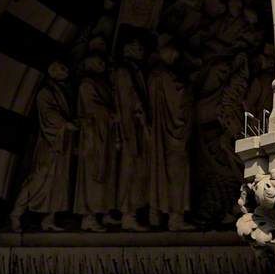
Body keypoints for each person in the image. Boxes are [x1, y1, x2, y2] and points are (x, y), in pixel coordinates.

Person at [9, 61, 76, 231]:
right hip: (50, 142)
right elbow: (48, 113)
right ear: (52, 71)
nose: (65, 70)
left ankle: (49, 219)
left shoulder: (63, 91)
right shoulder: (46, 92)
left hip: (63, 143)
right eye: (62, 67)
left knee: (59, 181)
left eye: (65, 67)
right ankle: (16, 213)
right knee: (39, 179)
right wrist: (65, 123)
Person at [148, 42, 194, 231]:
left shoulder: (153, 76)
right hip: (172, 136)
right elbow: (179, 99)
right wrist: (191, 85)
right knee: (177, 174)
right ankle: (175, 216)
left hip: (161, 136)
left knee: (159, 173)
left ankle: (156, 214)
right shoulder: (166, 77)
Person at [74, 51, 116, 231]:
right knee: (92, 174)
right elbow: (92, 107)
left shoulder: (102, 82)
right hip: (93, 136)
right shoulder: (87, 83)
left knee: (105, 172)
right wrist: (111, 113)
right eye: (99, 61)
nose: (103, 64)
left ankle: (104, 212)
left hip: (104, 134)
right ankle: (89, 217)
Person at [113, 38, 149, 231]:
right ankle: (128, 213)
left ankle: (131, 212)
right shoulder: (125, 72)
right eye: (139, 47)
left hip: (135, 128)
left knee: (136, 170)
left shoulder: (133, 70)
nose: (142, 51)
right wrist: (139, 110)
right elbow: (130, 96)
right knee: (131, 171)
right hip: (131, 129)